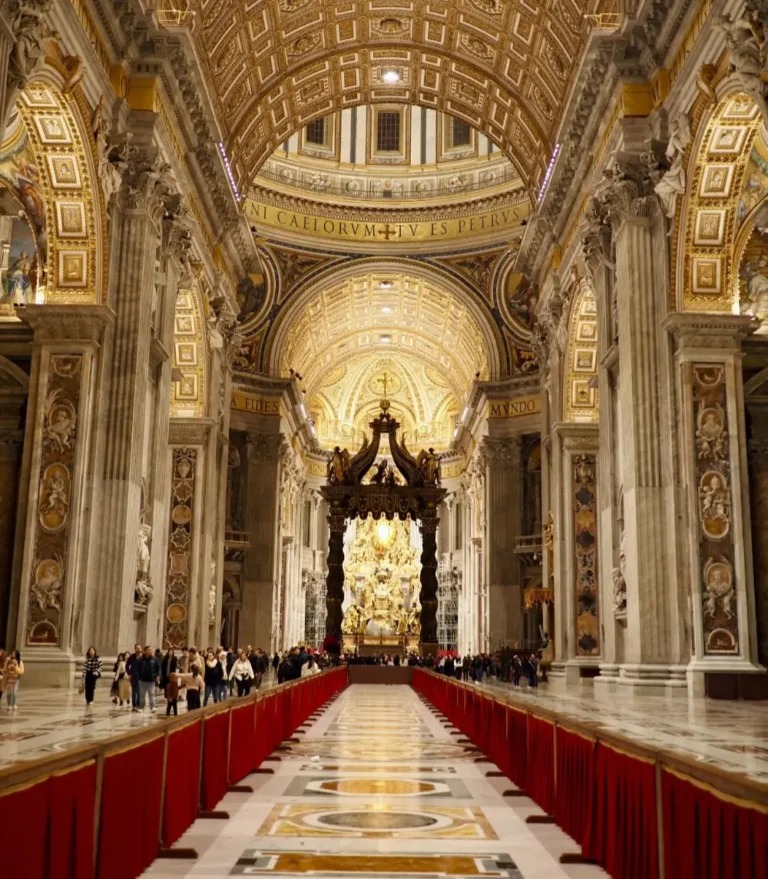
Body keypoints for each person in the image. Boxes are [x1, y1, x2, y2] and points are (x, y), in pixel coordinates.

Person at [137, 645, 160, 712]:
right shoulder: (140, 659)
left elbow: (158, 668)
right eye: (149, 650)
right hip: (142, 680)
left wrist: (158, 675)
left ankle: (152, 707)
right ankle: (141, 707)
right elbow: (137, 669)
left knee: (152, 694)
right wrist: (139, 677)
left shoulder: (154, 659)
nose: (150, 651)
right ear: (145, 651)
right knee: (142, 695)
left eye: (151, 650)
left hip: (151, 680)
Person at [126, 643, 143, 711]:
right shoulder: (132, 657)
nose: (138, 649)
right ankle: (134, 705)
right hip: (133, 676)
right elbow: (127, 666)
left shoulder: (143, 657)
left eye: (139, 648)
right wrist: (129, 674)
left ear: (141, 649)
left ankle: (138, 704)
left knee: (139, 691)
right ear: (135, 649)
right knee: (134, 691)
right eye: (137, 648)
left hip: (141, 677)